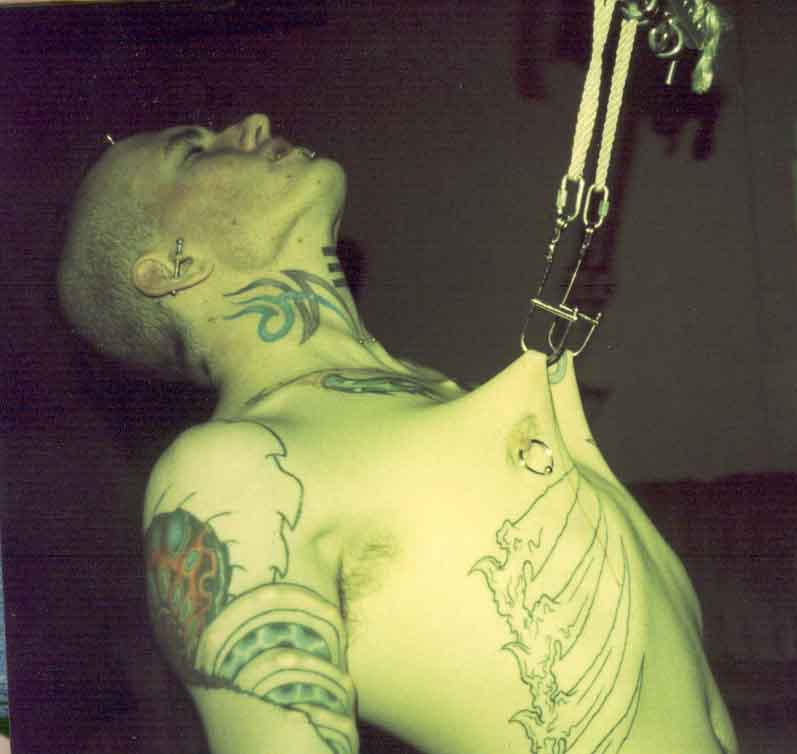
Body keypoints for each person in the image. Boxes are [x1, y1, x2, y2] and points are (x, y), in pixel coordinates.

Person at [56, 113, 738, 754]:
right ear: (172, 268)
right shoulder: (229, 469)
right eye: (194, 151)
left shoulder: (431, 393)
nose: (252, 124)